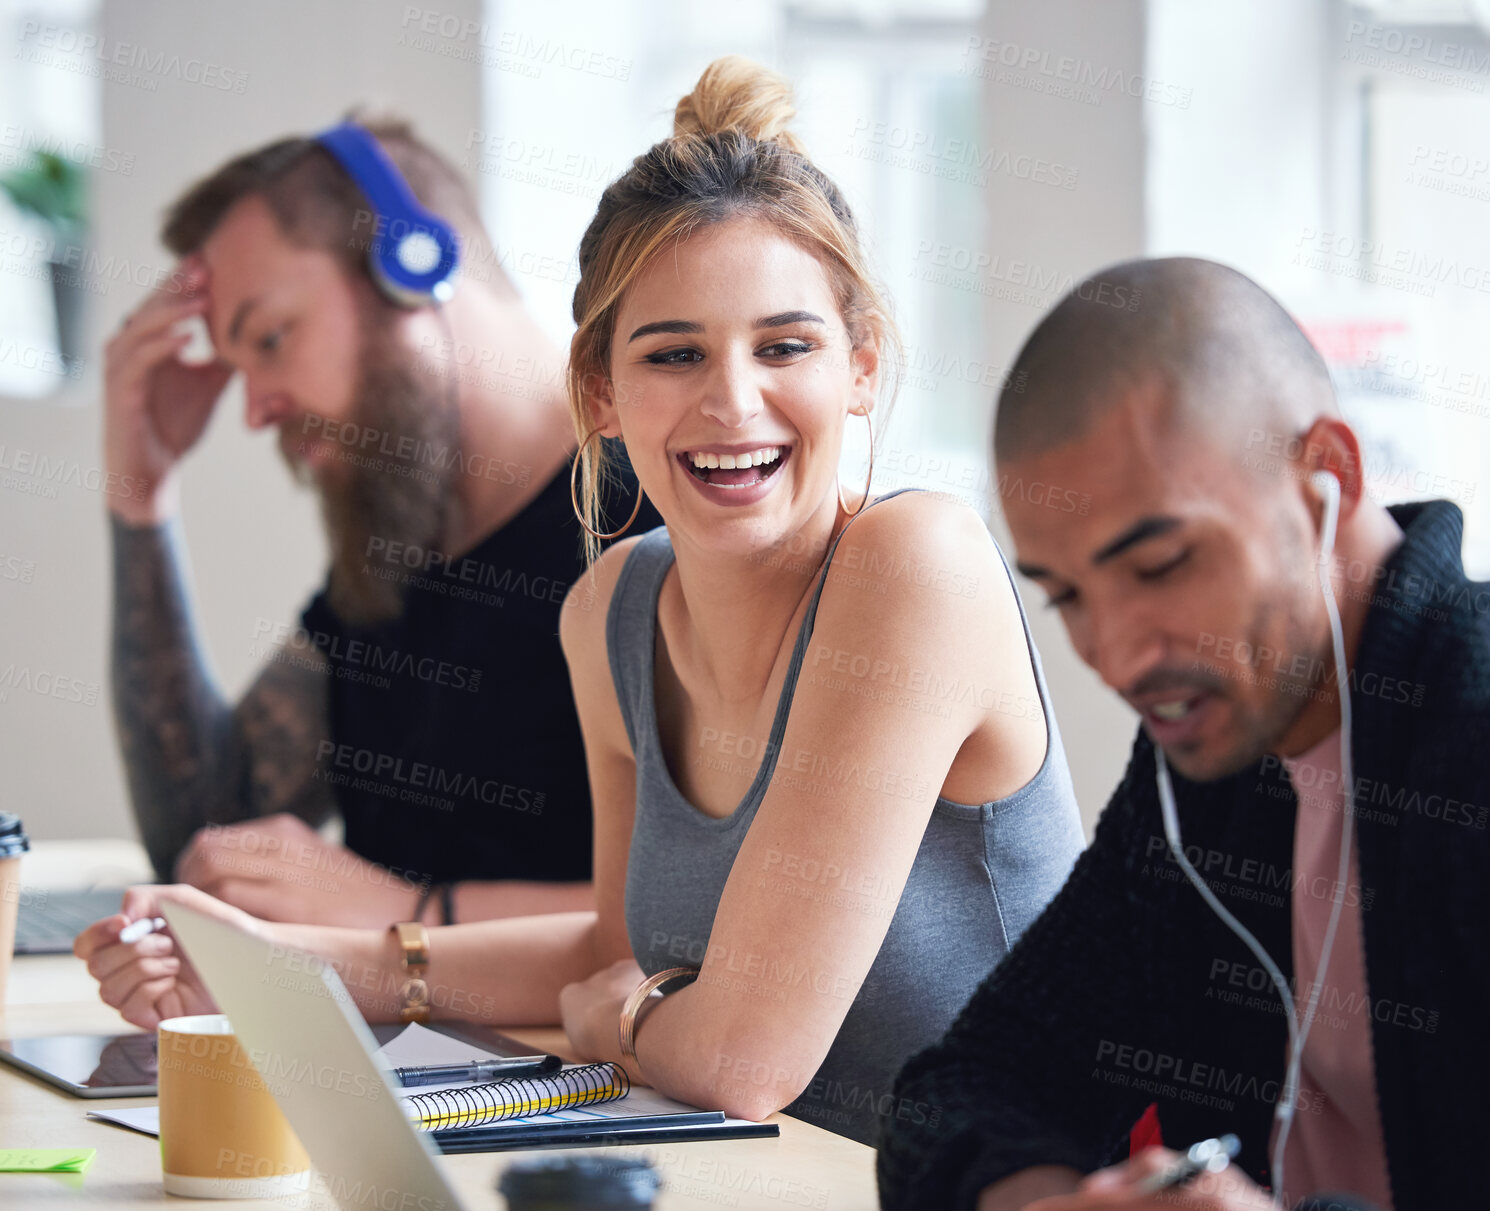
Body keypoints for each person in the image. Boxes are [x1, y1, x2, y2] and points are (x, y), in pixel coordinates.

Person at [76, 57, 1086, 1147]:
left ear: (861, 367)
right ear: (600, 390)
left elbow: (735, 1054)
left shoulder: (913, 563)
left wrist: (626, 1014)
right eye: (674, 353)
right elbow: (611, 940)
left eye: (786, 345)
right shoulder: (613, 605)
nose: (733, 399)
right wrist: (274, 969)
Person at [877, 256, 1490, 1211]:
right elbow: (962, 1086)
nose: (1116, 655)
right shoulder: (1210, 766)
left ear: (1327, 475)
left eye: (1160, 564)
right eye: (1068, 596)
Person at [103, 114, 658, 928]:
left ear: (413, 263)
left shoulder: (663, 514)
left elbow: (715, 921)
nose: (255, 410)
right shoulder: (398, 544)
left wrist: (412, 915)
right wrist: (139, 493)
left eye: (271, 337)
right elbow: (206, 835)